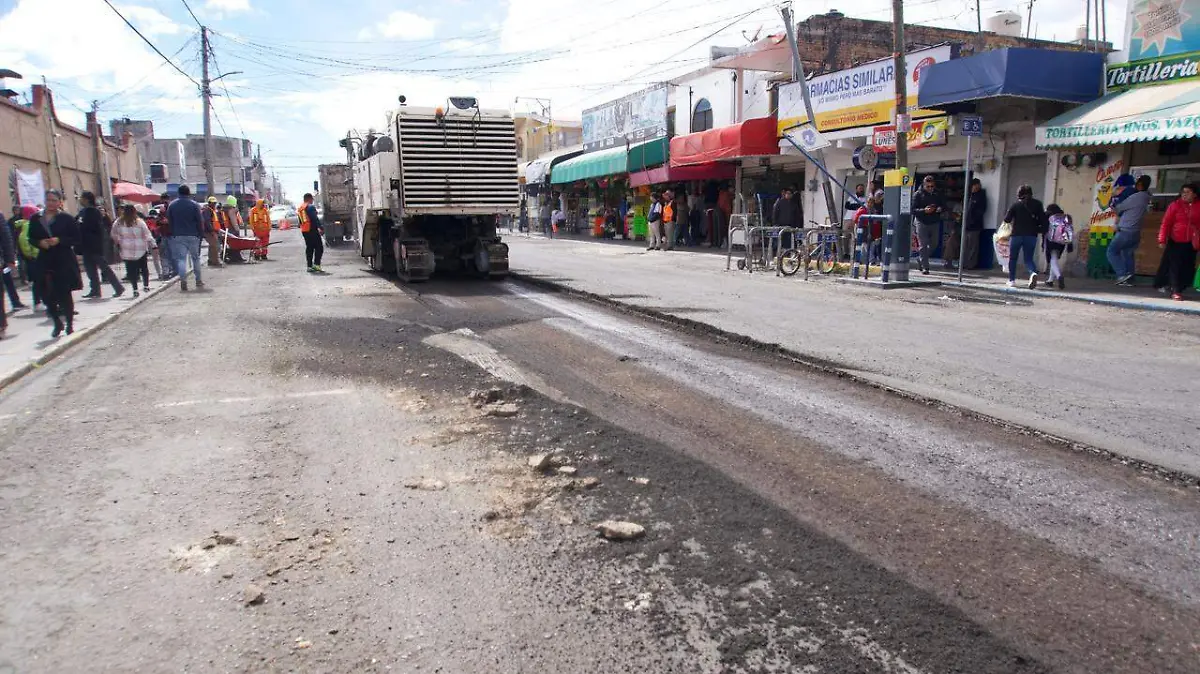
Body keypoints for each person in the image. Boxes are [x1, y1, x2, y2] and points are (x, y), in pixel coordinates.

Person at [28, 189, 83, 337]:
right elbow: (30, 238)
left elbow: (76, 238)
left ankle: (69, 324)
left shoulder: (66, 218)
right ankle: (56, 321)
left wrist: (60, 240)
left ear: (59, 202)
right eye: (48, 200)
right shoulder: (36, 218)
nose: (51, 203)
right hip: (45, 259)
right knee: (45, 292)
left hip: (63, 259)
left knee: (64, 292)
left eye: (54, 200)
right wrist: (40, 243)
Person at [1153, 183, 1200, 300]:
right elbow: (1166, 223)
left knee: (1188, 266)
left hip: (1192, 242)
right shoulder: (1175, 205)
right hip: (1176, 241)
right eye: (1183, 192)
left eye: (1188, 192)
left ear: (1194, 194)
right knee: (1175, 266)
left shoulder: (1198, 206)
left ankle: (1181, 287)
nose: (1184, 194)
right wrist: (1162, 239)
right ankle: (1175, 290)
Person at [77, 191, 125, 299]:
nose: (80, 200)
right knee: (90, 270)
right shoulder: (82, 212)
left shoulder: (94, 212)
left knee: (104, 268)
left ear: (87, 199)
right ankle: (95, 290)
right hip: (85, 246)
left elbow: (98, 229)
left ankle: (118, 288)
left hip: (94, 246)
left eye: (81, 198)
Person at [1107, 174, 1152, 286]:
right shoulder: (1147, 197)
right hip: (1135, 232)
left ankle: (1122, 275)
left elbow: (1119, 208)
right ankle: (1130, 278)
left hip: (1125, 230)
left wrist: (1114, 197)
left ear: (1140, 185)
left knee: (1111, 252)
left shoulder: (1136, 197)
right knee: (1128, 253)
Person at [1002, 184, 1048, 288]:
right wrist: (1039, 230)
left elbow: (1007, 219)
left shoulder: (1015, 205)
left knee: (1013, 258)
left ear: (1019, 194)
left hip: (1016, 235)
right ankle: (1032, 273)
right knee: (1028, 259)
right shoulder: (1038, 204)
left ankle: (1012, 280)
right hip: (1031, 235)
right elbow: (1043, 220)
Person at [112, 205, 156, 297]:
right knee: (143, 268)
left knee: (131, 270)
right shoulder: (139, 222)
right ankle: (146, 285)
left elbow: (114, 234)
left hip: (126, 249)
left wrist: (119, 242)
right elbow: (147, 234)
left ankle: (135, 289)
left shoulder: (118, 222)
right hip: (140, 248)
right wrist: (153, 245)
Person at [167, 185, 205, 291]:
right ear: (188, 193)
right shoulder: (194, 205)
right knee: (196, 258)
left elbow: (170, 220)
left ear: (178, 193)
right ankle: (198, 280)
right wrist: (201, 233)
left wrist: (173, 232)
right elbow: (200, 220)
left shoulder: (172, 205)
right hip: (193, 234)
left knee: (181, 259)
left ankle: (183, 281)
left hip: (178, 235)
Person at [910, 176, 944, 274]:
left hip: (934, 221)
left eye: (932, 186)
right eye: (928, 186)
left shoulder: (937, 194)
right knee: (923, 245)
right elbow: (913, 210)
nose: (930, 188)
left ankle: (921, 258)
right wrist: (924, 210)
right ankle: (926, 267)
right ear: (924, 185)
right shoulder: (918, 194)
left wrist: (939, 208)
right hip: (922, 222)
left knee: (934, 244)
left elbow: (944, 205)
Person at [13, 206, 41, 309]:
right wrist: (32, 254)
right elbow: (25, 240)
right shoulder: (28, 224)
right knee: (38, 280)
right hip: (34, 257)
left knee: (38, 280)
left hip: (31, 257)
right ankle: (38, 302)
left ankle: (39, 301)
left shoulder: (23, 224)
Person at [1044, 204, 1074, 290]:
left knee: (1053, 259)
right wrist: (1069, 243)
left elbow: (1045, 229)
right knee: (1054, 259)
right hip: (1062, 242)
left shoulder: (1050, 218)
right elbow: (1070, 230)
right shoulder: (1066, 217)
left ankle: (1059, 276)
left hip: (1051, 241)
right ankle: (1050, 280)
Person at [298, 193, 324, 273]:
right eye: (312, 199)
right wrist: (320, 228)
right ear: (309, 199)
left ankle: (309, 266)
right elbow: (314, 218)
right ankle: (316, 265)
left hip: (305, 231)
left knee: (309, 248)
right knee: (319, 247)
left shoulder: (301, 208)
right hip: (312, 230)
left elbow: (300, 221)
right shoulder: (310, 207)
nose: (312, 201)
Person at [155, 194, 174, 280]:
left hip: (171, 235)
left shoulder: (173, 209)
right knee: (164, 255)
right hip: (164, 235)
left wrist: (167, 222)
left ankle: (172, 271)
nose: (164, 203)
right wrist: (162, 221)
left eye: (165, 201)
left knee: (171, 254)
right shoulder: (162, 211)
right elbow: (157, 222)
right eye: (163, 201)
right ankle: (166, 272)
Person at [202, 196, 226, 267]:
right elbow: (207, 221)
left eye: (215, 203)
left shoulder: (212, 210)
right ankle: (215, 262)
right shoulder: (207, 211)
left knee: (212, 246)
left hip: (213, 231)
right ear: (209, 203)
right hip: (209, 231)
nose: (214, 204)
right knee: (215, 246)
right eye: (213, 203)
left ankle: (211, 260)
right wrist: (212, 231)